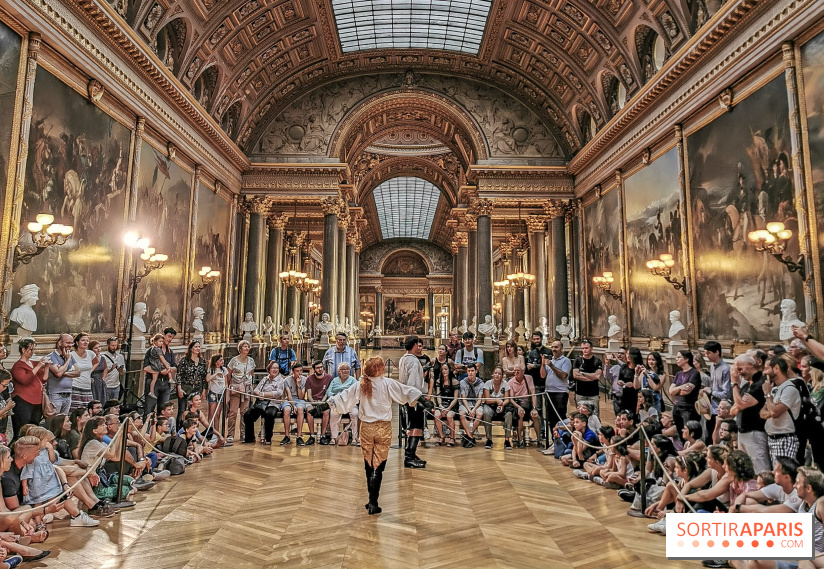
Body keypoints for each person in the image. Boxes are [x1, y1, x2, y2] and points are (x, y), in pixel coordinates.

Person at [321, 356, 423, 515]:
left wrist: (324, 405)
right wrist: (422, 400)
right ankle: (373, 502)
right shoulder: (387, 383)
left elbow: (343, 398)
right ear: (381, 369)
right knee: (379, 467)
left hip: (366, 429)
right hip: (383, 429)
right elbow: (406, 392)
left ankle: (371, 501)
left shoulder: (360, 383)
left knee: (369, 464)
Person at [730, 354, 771, 473]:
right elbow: (732, 411)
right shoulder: (747, 385)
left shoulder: (760, 382)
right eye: (736, 370)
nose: (739, 373)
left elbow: (740, 405)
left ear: (750, 364)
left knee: (760, 469)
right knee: (745, 469)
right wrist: (739, 402)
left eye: (740, 369)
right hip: (742, 432)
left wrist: (734, 383)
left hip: (755, 432)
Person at [762, 355, 801, 465]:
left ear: (776, 368)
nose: (764, 373)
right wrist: (772, 408)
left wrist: (767, 395)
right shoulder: (775, 389)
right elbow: (762, 413)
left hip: (784, 439)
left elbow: (774, 412)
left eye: (766, 368)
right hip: (771, 438)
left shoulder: (789, 389)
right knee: (776, 475)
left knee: (784, 475)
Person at [398, 336, 428, 467]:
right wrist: (418, 401)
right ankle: (409, 457)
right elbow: (413, 385)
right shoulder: (414, 362)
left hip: (405, 398)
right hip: (413, 400)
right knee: (416, 428)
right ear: (415, 345)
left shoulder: (403, 358)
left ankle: (411, 454)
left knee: (411, 427)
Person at [243, 361, 288, 445]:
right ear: (269, 369)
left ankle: (268, 438)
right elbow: (256, 389)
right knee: (247, 415)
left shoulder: (280, 380)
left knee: (269, 414)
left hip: (273, 403)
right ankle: (250, 438)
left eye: (276, 368)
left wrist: (264, 394)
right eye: (273, 368)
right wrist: (259, 394)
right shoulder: (265, 379)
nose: (275, 370)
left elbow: (278, 393)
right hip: (261, 403)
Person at [9, 339, 46, 440]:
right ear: (23, 349)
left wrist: (46, 368)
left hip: (37, 400)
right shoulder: (18, 365)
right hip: (23, 400)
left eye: (33, 349)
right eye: (30, 349)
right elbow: (24, 380)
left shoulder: (34, 363)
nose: (32, 352)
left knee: (34, 428)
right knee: (22, 428)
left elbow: (43, 380)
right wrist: (38, 366)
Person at [142, 327, 177, 420]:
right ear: (163, 335)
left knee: (164, 410)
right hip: (154, 382)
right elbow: (145, 367)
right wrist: (159, 371)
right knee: (149, 410)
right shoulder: (152, 351)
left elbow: (175, 367)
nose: (170, 339)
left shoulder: (170, 352)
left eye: (172, 338)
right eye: (169, 336)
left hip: (165, 384)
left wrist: (169, 370)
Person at [541, 339, 571, 443]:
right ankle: (554, 441)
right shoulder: (551, 361)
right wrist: (543, 364)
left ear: (561, 349)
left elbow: (563, 375)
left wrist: (551, 366)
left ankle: (562, 441)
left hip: (560, 393)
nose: (554, 349)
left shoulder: (566, 361)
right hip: (549, 393)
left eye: (556, 347)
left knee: (560, 418)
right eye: (552, 347)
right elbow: (543, 375)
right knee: (551, 419)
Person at [226, 340, 255, 445]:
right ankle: (230, 434)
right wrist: (228, 389)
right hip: (235, 389)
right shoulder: (234, 360)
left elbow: (251, 374)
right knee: (233, 412)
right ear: (240, 348)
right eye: (245, 346)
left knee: (244, 412)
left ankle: (243, 434)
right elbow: (228, 374)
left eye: (248, 347)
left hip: (246, 389)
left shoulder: (251, 361)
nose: (247, 348)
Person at [704, 341, 731, 443]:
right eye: (705, 353)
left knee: (718, 439)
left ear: (717, 353)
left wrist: (711, 392)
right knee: (709, 437)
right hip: (712, 408)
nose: (706, 356)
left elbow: (726, 393)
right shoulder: (712, 367)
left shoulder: (725, 369)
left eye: (709, 353)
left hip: (721, 409)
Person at [669, 350, 701, 432]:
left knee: (688, 432)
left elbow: (686, 392)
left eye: (679, 357)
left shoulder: (694, 373)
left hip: (688, 408)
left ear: (686, 359)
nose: (676, 359)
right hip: (676, 406)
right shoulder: (678, 374)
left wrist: (677, 389)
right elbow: (671, 391)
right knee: (680, 432)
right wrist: (682, 387)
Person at [432, 345, 458, 447]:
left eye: (446, 370)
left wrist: (447, 408)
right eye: (443, 370)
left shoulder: (455, 382)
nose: (444, 371)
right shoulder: (439, 381)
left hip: (451, 405)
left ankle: (452, 438)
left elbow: (456, 398)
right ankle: (441, 436)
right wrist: (441, 406)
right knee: (437, 415)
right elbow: (438, 395)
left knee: (449, 416)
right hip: (442, 404)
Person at [46, 334, 79, 415]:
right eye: (68, 343)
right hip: (55, 395)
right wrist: (67, 360)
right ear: (60, 343)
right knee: (54, 422)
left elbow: (78, 372)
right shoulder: (51, 356)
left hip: (68, 394)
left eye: (72, 343)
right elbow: (57, 374)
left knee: (63, 422)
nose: (70, 345)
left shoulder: (69, 355)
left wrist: (62, 372)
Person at [175, 341, 207, 424]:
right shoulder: (184, 360)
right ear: (191, 348)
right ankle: (179, 430)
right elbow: (179, 375)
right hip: (185, 387)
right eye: (196, 347)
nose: (198, 348)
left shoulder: (202, 361)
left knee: (194, 410)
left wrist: (203, 390)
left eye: (199, 347)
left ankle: (192, 430)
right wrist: (179, 388)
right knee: (182, 410)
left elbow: (204, 377)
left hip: (197, 388)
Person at [481, 367, 513, 449]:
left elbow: (507, 399)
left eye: (499, 374)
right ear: (492, 374)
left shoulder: (505, 384)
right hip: (490, 405)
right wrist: (496, 400)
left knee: (509, 414)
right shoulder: (487, 383)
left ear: (502, 376)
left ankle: (507, 440)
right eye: (495, 373)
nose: (497, 375)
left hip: (502, 405)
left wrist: (502, 404)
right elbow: (487, 400)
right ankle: (489, 439)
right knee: (485, 412)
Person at [509, 364, 540, 447]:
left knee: (536, 416)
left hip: (528, 403)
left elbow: (533, 393)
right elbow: (511, 398)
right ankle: (520, 439)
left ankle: (539, 440)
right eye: (514, 371)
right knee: (520, 414)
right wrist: (519, 407)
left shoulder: (529, 378)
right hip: (517, 404)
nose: (516, 373)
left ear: (523, 371)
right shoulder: (511, 382)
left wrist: (534, 408)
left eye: (518, 371)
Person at [328, 362, 358, 444]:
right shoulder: (334, 380)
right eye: (343, 369)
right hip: (338, 403)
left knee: (355, 414)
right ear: (339, 371)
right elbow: (329, 392)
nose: (345, 371)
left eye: (347, 369)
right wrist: (337, 395)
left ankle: (355, 438)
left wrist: (340, 391)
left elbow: (356, 392)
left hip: (350, 403)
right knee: (333, 414)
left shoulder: (353, 380)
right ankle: (333, 438)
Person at [571, 340, 603, 417]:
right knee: (581, 415)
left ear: (591, 348)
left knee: (594, 415)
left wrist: (583, 373)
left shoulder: (597, 361)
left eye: (586, 348)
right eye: (582, 348)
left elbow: (598, 376)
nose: (584, 350)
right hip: (580, 392)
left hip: (593, 393)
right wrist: (592, 377)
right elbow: (575, 375)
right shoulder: (578, 360)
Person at [305, 361, 332, 445]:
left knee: (326, 411)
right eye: (317, 368)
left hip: (323, 401)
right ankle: (312, 436)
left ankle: (323, 436)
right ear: (314, 370)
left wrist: (322, 402)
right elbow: (309, 395)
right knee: (309, 410)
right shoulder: (309, 379)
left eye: (321, 367)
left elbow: (327, 393)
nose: (320, 369)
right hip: (313, 401)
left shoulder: (329, 378)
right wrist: (313, 403)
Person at [457, 365, 485, 449]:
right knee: (461, 414)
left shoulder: (481, 383)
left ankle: (468, 436)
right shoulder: (462, 382)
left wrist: (474, 410)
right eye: (469, 371)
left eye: (472, 371)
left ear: (476, 371)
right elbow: (463, 398)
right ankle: (471, 437)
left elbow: (480, 399)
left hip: (476, 404)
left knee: (479, 414)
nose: (470, 373)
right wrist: (469, 410)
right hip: (466, 404)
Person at [281, 363, 307, 446]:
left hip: (300, 400)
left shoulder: (304, 380)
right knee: (287, 409)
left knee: (300, 408)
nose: (299, 373)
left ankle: (299, 436)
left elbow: (301, 396)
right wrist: (292, 406)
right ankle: (287, 436)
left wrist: (298, 385)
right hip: (289, 400)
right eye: (297, 371)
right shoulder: (287, 380)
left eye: (300, 371)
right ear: (292, 372)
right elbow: (288, 395)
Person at [144, 334, 173, 404]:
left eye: (162, 342)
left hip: (162, 379)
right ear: (155, 341)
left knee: (164, 405)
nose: (161, 343)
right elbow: (161, 359)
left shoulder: (169, 351)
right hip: (157, 368)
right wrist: (166, 365)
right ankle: (170, 379)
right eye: (160, 341)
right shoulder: (156, 350)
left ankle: (151, 392)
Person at [205, 355, 228, 442]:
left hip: (220, 394)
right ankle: (210, 433)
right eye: (220, 360)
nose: (222, 362)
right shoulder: (211, 369)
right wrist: (215, 374)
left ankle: (217, 434)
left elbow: (226, 383)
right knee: (211, 414)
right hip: (213, 393)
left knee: (217, 415)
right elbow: (207, 379)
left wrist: (225, 391)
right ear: (216, 362)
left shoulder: (224, 370)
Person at [99, 337, 125, 402]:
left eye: (115, 345)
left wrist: (120, 371)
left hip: (116, 385)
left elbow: (123, 373)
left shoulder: (120, 357)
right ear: (108, 345)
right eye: (112, 345)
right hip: (106, 385)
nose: (114, 347)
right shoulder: (103, 356)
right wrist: (111, 369)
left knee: (114, 404)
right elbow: (100, 372)